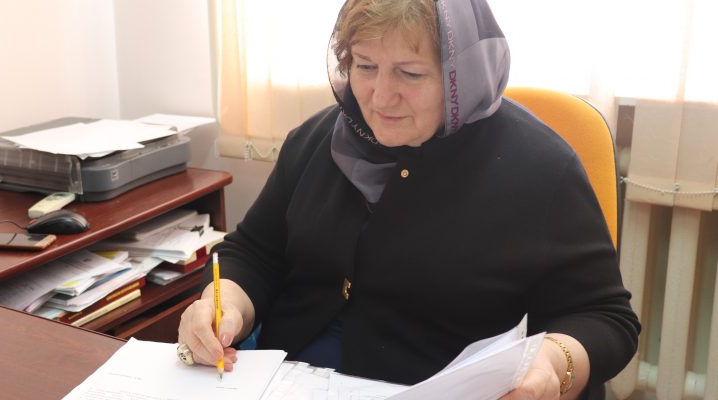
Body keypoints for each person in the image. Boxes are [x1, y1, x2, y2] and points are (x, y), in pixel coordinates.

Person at [178, 0, 641, 398]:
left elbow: (605, 318)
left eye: (410, 73)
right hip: (289, 379)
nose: (380, 97)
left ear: (462, 77)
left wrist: (554, 364)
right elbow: (254, 252)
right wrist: (222, 304)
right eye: (365, 66)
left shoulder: (541, 169)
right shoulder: (319, 139)